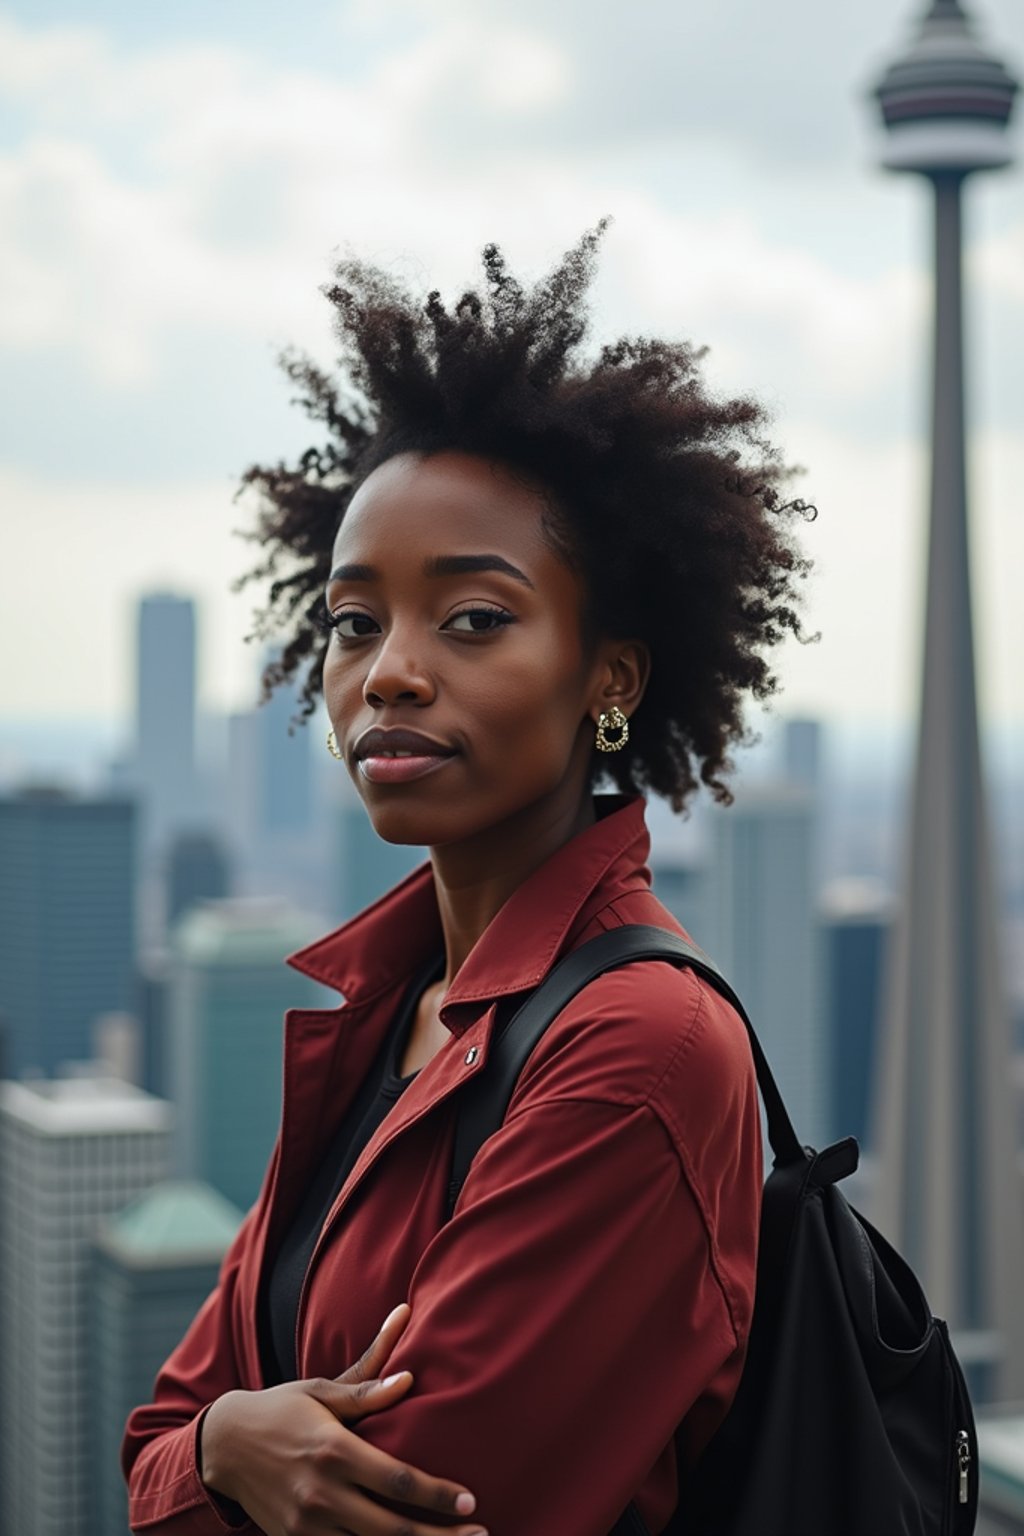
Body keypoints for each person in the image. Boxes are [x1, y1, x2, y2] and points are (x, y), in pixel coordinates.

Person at [122, 224, 814, 1536]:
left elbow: (429, 1505)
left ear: (609, 675)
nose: (387, 670)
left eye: (475, 618)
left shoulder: (642, 1049)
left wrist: (224, 1452)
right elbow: (157, 1434)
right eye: (351, 621)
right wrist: (222, 1442)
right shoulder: (390, 1011)